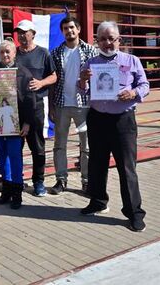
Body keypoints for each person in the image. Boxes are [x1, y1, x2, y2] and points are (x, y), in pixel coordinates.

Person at [78, 21, 149, 232]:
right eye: (102, 38)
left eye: (111, 38)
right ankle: (98, 202)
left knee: (127, 168)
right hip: (98, 118)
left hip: (123, 121)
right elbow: (82, 92)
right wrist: (82, 81)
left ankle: (134, 213)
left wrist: (134, 93)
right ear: (97, 41)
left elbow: (145, 85)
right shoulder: (90, 63)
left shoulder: (132, 60)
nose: (107, 43)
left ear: (119, 39)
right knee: (97, 164)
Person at [0, 41, 36, 209]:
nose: (5, 55)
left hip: (16, 125)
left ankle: (17, 192)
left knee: (15, 157)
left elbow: (31, 101)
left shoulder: (23, 73)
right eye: (2, 52)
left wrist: (27, 123)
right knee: (2, 157)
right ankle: (6, 189)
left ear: (15, 53)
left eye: (8, 52)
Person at [49, 16, 97, 195]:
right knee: (59, 145)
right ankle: (61, 180)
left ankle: (86, 181)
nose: (69, 31)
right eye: (65, 29)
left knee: (86, 146)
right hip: (62, 104)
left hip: (84, 105)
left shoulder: (90, 51)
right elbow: (54, 81)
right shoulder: (55, 53)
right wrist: (52, 107)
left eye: (71, 28)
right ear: (62, 32)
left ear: (78, 29)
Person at [14, 19, 57, 197]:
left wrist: (41, 83)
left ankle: (38, 182)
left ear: (33, 34)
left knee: (37, 146)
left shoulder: (43, 53)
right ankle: (17, 180)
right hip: (15, 107)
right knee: (15, 147)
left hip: (37, 106)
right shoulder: (12, 53)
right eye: (19, 32)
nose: (22, 36)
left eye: (25, 32)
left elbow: (54, 76)